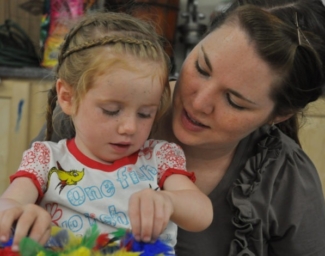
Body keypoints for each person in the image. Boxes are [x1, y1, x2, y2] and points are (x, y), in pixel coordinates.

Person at [5, 0, 325, 254]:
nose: (199, 102)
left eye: (234, 101)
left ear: (279, 114)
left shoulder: (286, 180)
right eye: (201, 68)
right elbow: (12, 210)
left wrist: (169, 203)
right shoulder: (85, 120)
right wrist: (24, 219)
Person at [0, 12, 213, 252]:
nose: (129, 128)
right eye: (111, 110)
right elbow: (8, 202)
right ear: (67, 97)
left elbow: (202, 213)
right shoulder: (47, 160)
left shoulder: (159, 157)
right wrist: (16, 213)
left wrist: (169, 201)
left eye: (145, 114)